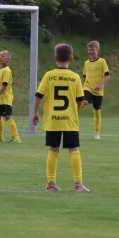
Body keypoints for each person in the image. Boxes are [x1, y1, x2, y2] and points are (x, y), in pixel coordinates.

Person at [33, 43, 90, 192]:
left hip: (53, 120)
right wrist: (75, 110)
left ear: (55, 58)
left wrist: (35, 112)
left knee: (53, 149)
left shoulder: (49, 75)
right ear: (71, 58)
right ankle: (78, 183)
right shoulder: (75, 77)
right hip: (70, 120)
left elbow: (39, 95)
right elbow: (80, 100)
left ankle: (50, 183)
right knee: (74, 149)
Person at [0, 51, 21, 143]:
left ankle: (16, 138)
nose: (0, 57)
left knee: (8, 116)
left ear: (8, 59)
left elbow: (4, 85)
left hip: (5, 98)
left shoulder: (7, 70)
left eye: (3, 56)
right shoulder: (2, 70)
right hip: (1, 99)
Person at [82, 41, 110, 140]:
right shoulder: (86, 63)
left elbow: (107, 76)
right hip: (87, 87)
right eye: (89, 50)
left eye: (93, 50)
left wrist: (100, 85)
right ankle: (71, 117)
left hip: (98, 90)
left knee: (97, 111)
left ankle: (96, 133)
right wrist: (82, 87)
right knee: (84, 101)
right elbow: (84, 77)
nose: (91, 52)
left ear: (97, 50)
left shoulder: (102, 62)